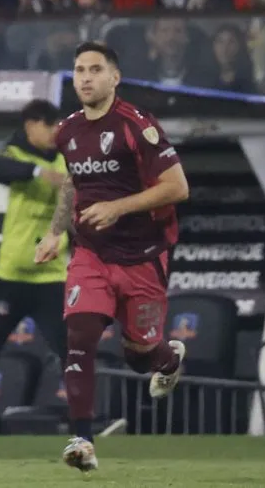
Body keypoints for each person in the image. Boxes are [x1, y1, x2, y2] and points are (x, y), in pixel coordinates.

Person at [35, 41, 189, 472]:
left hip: (143, 256)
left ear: (114, 78)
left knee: (139, 355)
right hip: (92, 254)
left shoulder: (137, 125)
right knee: (79, 338)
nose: (86, 78)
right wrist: (55, 232)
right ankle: (83, 441)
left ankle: (168, 359)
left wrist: (118, 207)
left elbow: (178, 187)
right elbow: (73, 183)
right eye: (79, 70)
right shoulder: (67, 131)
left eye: (95, 70)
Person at [0, 99, 69, 431]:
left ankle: (83, 417)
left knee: (70, 350)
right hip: (10, 276)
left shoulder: (65, 159)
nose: (56, 132)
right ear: (31, 125)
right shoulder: (11, 156)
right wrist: (39, 173)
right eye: (49, 125)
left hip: (51, 275)